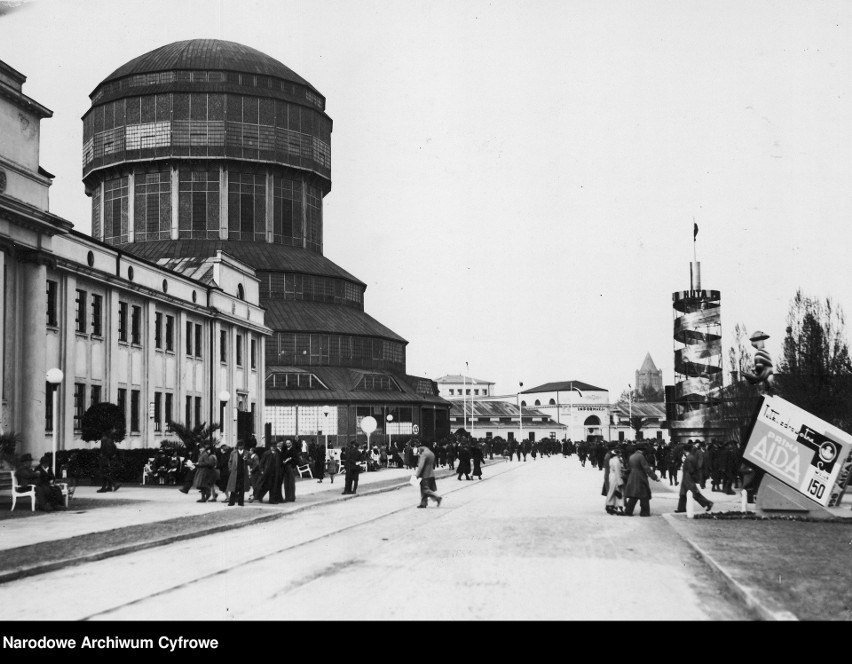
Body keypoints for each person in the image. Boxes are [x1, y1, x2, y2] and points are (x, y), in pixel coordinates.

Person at [675, 443, 714, 513]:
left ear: (684, 450)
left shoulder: (689, 458)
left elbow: (691, 470)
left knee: (694, 494)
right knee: (683, 494)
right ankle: (681, 508)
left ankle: (708, 503)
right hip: (687, 478)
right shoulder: (691, 457)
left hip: (687, 479)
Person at [623, 443, 660, 517]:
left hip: (632, 476)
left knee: (633, 495)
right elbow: (646, 468)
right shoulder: (641, 456)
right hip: (640, 477)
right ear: (642, 450)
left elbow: (629, 467)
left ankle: (628, 511)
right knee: (644, 495)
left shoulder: (632, 456)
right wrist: (655, 477)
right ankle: (644, 513)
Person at [415, 441, 443, 508]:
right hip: (431, 474)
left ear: (422, 447)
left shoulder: (424, 454)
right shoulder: (431, 453)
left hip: (425, 475)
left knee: (425, 489)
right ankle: (423, 503)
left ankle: (437, 497)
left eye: (419, 450)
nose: (419, 451)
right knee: (424, 489)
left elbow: (421, 466)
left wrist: (417, 475)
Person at [226, 440, 249, 507]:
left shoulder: (247, 453)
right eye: (239, 445)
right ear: (237, 446)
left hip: (243, 472)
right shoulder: (233, 453)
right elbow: (230, 461)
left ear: (243, 446)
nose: (240, 447)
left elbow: (250, 462)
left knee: (242, 488)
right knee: (234, 488)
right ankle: (231, 502)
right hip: (235, 472)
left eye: (242, 445)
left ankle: (241, 502)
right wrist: (230, 469)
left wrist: (246, 460)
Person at [605, 445, 625, 515]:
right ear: (617, 454)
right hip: (616, 477)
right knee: (618, 493)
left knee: (612, 491)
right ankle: (618, 507)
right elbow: (617, 471)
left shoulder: (612, 460)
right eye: (619, 453)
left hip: (612, 476)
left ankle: (610, 505)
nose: (620, 455)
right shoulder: (616, 461)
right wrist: (620, 481)